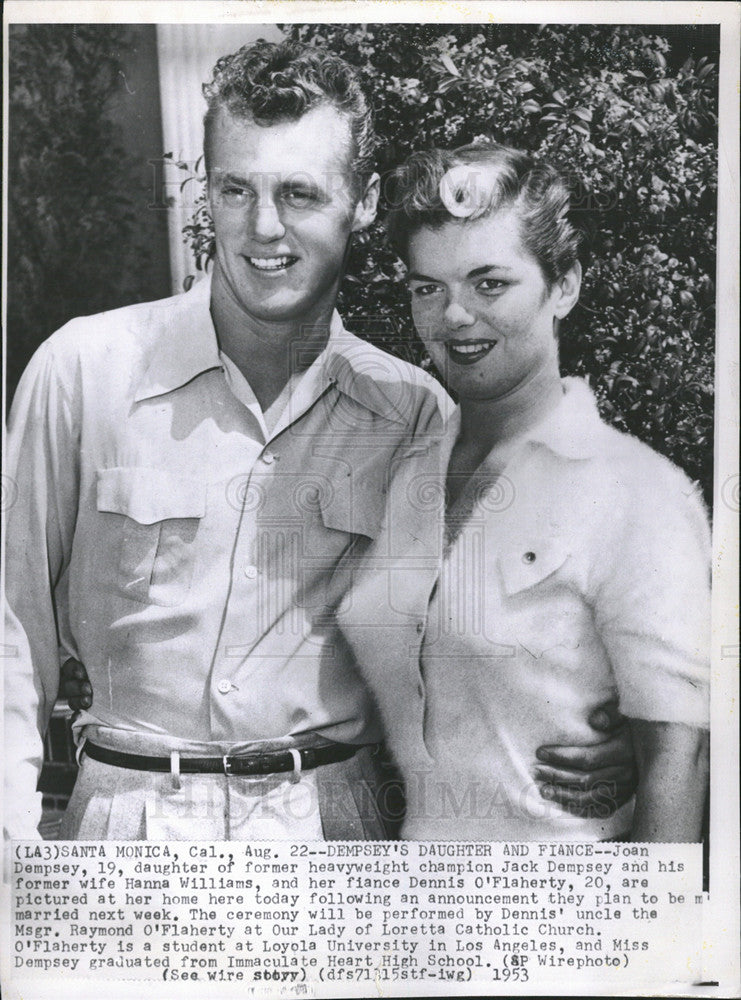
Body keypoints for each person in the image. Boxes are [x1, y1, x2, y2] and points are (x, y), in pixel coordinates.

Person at [3, 41, 633, 842]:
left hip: (330, 837)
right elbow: (9, 632)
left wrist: (607, 728)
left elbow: (479, 650)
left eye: (299, 193)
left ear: (363, 200)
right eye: (235, 190)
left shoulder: (414, 416)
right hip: (130, 828)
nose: (263, 229)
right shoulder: (81, 372)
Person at [338, 143, 710, 841]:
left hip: (564, 922)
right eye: (428, 288)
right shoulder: (405, 473)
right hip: (412, 919)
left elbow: (678, 759)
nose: (453, 316)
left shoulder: (635, 494)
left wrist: (655, 940)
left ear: (561, 285)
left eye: (489, 284)